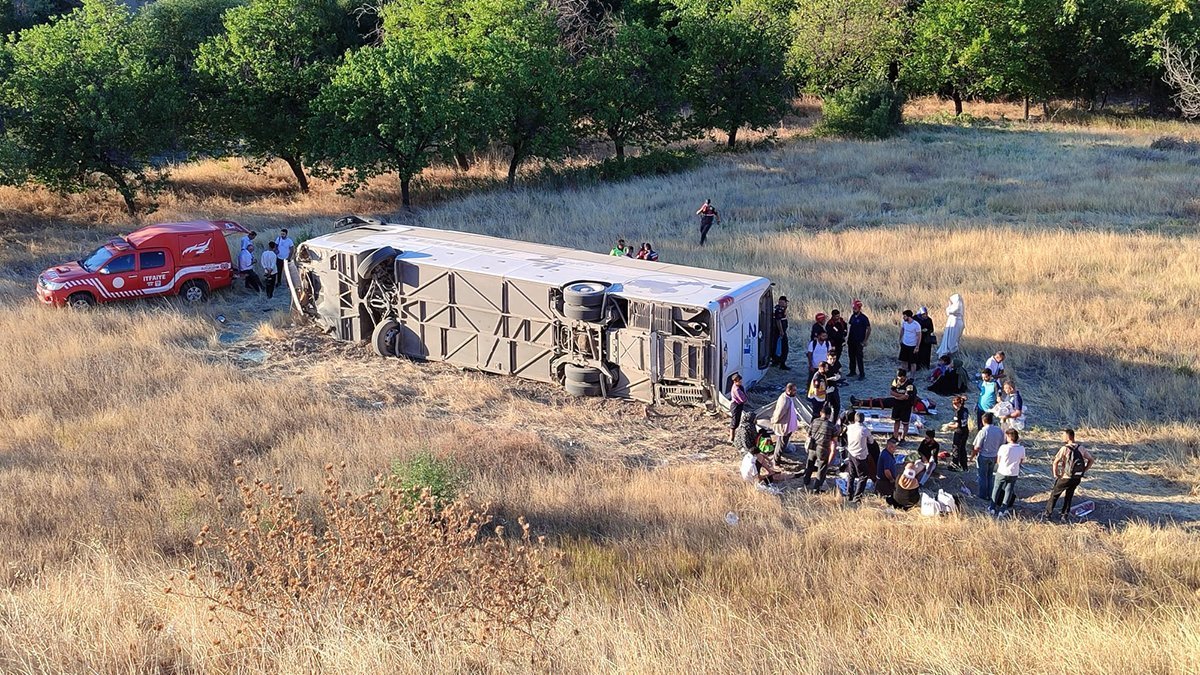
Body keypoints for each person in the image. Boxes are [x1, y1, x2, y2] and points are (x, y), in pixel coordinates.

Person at [1044, 429, 1095, 520]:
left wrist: (1056, 474)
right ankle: (1064, 515)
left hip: (1065, 477)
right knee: (1069, 495)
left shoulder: (1064, 449)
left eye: (1063, 435)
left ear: (1068, 437)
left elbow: (1055, 462)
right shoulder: (1081, 448)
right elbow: (1091, 460)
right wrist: (1084, 470)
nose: (1062, 437)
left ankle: (1048, 514)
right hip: (1076, 477)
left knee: (1055, 495)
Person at [802, 405, 838, 493]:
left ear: (820, 413)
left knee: (809, 464)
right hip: (822, 449)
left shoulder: (814, 421)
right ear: (829, 415)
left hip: (812, 446)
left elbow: (809, 434)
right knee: (821, 468)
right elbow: (834, 439)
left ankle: (806, 481)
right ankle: (816, 488)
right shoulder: (831, 426)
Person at [991, 429, 1026, 516]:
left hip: (1002, 471)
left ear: (1009, 438)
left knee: (996, 489)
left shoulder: (1003, 447)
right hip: (1013, 473)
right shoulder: (1021, 448)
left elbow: (998, 460)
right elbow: (1021, 461)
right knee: (1008, 491)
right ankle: (1003, 509)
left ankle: (992, 507)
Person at [971, 412, 1004, 500]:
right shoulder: (999, 430)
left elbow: (977, 446)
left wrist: (972, 456)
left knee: (982, 477)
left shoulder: (983, 431)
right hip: (994, 456)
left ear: (983, 421)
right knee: (990, 476)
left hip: (983, 456)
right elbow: (1002, 444)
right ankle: (990, 495)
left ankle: (982, 495)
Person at [844, 412, 873, 502]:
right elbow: (871, 441)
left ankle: (849, 494)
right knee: (863, 476)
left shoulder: (849, 427)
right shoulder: (864, 430)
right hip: (860, 455)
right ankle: (857, 497)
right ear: (863, 420)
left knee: (851, 475)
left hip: (851, 452)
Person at [770, 383, 801, 462]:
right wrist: (774, 421)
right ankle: (776, 460)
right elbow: (779, 414)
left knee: (783, 442)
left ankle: (777, 458)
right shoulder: (784, 400)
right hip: (784, 426)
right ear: (789, 390)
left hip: (788, 425)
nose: (795, 392)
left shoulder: (788, 398)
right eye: (794, 390)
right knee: (781, 444)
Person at [942, 395, 970, 471]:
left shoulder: (958, 412)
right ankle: (964, 465)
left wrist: (948, 425)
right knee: (963, 448)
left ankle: (955, 465)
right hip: (965, 431)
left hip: (959, 432)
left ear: (957, 404)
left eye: (954, 404)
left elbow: (957, 425)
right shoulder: (966, 410)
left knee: (956, 449)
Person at [847, 300, 871, 380]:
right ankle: (852, 371)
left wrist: (865, 340)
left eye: (855, 308)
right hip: (851, 340)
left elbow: (868, 328)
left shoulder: (864, 318)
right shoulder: (852, 316)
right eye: (853, 308)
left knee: (859, 358)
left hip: (859, 341)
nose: (854, 310)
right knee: (851, 356)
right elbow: (850, 326)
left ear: (859, 308)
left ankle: (862, 374)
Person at [889, 369, 916, 440]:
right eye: (898, 377)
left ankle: (903, 438)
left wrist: (897, 396)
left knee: (905, 423)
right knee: (896, 421)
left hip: (906, 406)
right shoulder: (895, 381)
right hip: (897, 405)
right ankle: (895, 436)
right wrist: (900, 396)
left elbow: (906, 396)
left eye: (901, 377)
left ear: (905, 377)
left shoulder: (909, 384)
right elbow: (891, 392)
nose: (899, 379)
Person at [937, 294, 965, 359]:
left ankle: (949, 352)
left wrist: (949, 306)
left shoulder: (957, 306)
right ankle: (949, 352)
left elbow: (950, 311)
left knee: (951, 340)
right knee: (950, 339)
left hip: (954, 323)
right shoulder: (957, 305)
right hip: (954, 323)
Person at [822, 351, 844, 419]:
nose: (832, 360)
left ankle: (834, 421)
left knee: (837, 405)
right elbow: (821, 379)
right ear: (827, 357)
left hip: (834, 387)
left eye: (834, 358)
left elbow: (840, 371)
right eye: (831, 358)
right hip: (826, 388)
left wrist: (839, 376)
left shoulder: (837, 363)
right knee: (825, 406)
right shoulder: (824, 366)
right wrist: (830, 379)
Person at [898, 310, 921, 374]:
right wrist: (900, 339)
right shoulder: (904, 323)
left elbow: (919, 336)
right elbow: (902, 330)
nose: (903, 317)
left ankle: (912, 376)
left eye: (905, 316)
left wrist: (917, 346)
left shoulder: (916, 325)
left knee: (912, 363)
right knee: (903, 361)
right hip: (905, 344)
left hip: (912, 346)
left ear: (909, 317)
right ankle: (903, 375)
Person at [771, 296, 790, 370]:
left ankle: (776, 361)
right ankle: (782, 364)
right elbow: (778, 321)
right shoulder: (779, 310)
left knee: (777, 347)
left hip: (779, 332)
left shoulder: (780, 309)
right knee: (784, 348)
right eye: (782, 302)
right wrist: (781, 332)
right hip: (780, 332)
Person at [915, 307, 935, 371]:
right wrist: (919, 330)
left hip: (926, 339)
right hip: (917, 339)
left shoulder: (929, 319)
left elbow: (931, 329)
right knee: (917, 353)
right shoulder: (915, 318)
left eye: (926, 313)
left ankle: (925, 367)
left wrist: (927, 330)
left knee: (926, 354)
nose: (925, 315)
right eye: (923, 314)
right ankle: (917, 367)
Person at [728, 374, 747, 442]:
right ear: (735, 381)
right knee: (734, 421)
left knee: (737, 420)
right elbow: (742, 399)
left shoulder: (739, 386)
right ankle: (731, 438)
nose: (741, 382)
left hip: (739, 405)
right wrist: (745, 399)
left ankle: (734, 436)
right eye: (739, 381)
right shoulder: (736, 389)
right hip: (736, 406)